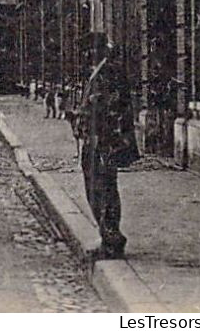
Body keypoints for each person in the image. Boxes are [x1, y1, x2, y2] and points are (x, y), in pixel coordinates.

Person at [73, 32, 138, 259]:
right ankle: (108, 237)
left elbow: (110, 109)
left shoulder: (109, 72)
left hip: (103, 143)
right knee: (97, 189)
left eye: (89, 50)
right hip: (97, 142)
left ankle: (112, 241)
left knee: (103, 190)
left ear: (99, 50)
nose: (86, 55)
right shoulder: (100, 71)